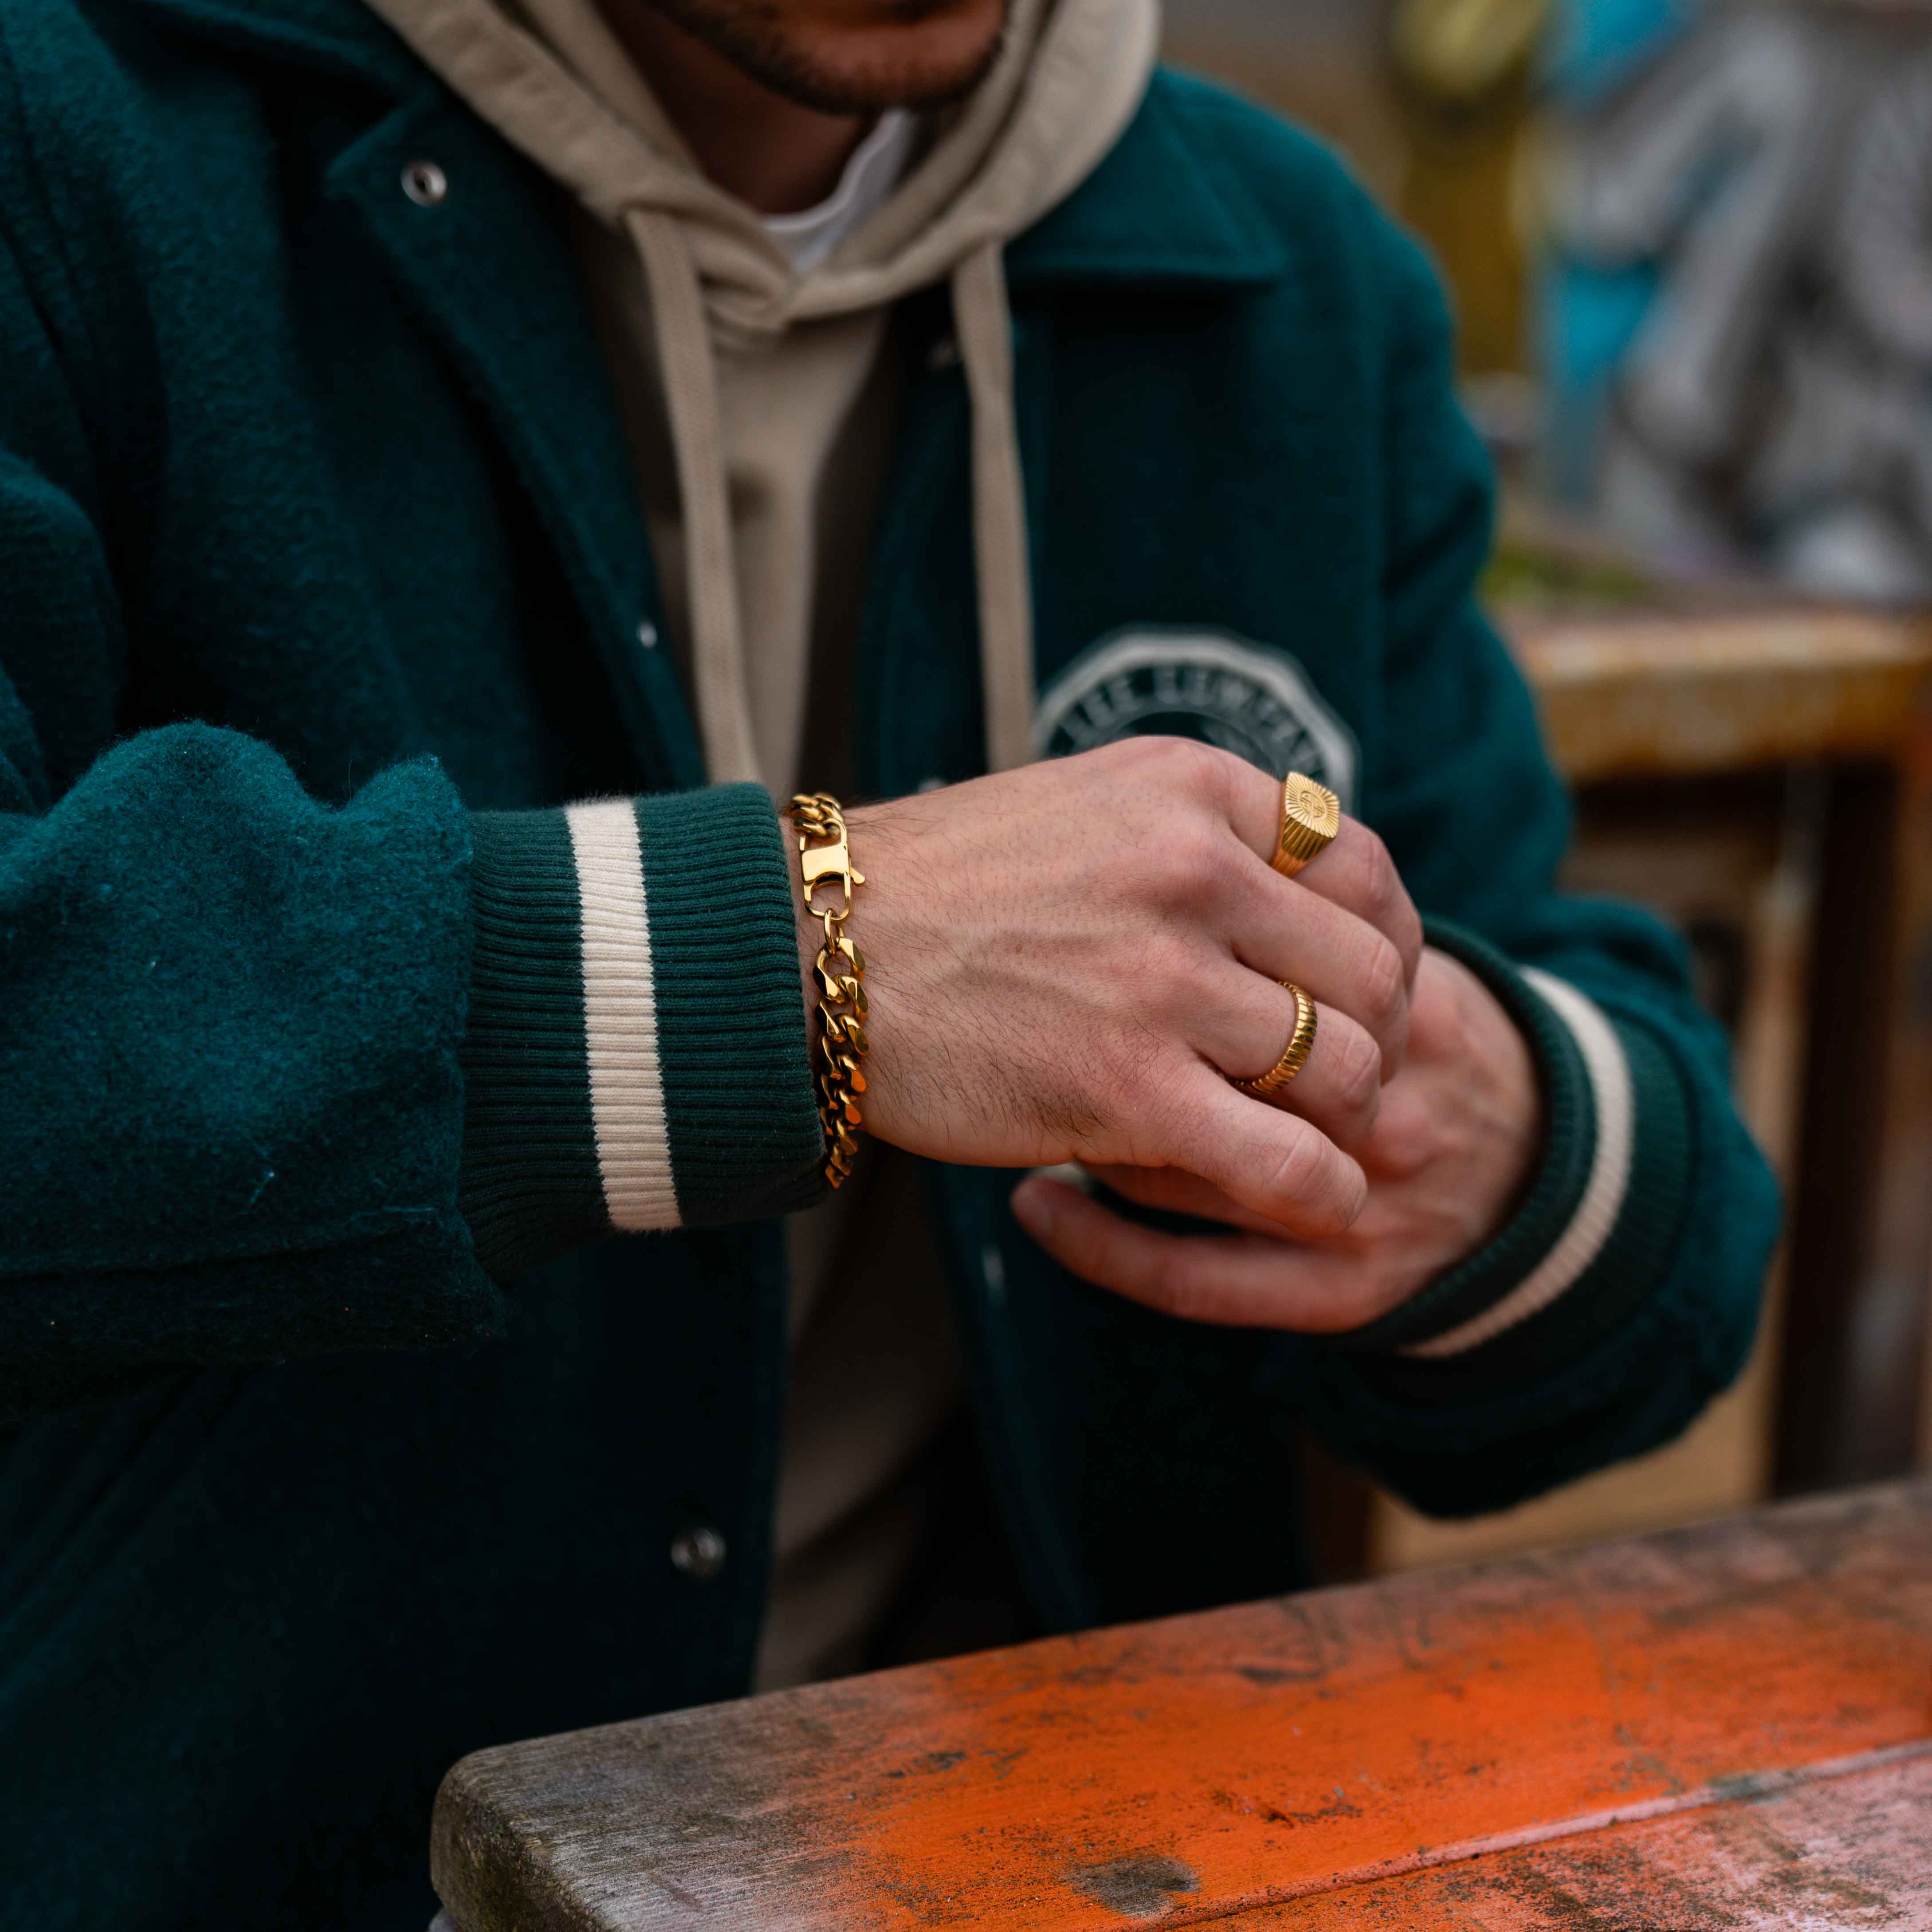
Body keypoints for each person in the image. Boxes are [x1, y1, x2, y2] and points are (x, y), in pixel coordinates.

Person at [0, 0, 1778, 1923]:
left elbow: (1677, 1269)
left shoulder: (1290, 273)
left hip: (1077, 1865)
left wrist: (1505, 1147)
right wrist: (808, 959)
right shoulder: (70, 132)